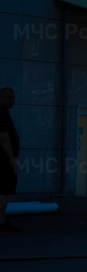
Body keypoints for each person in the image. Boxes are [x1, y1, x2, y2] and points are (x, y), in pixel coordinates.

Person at [0, 87, 20, 232]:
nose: (12, 100)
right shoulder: (2, 113)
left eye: (13, 97)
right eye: (9, 97)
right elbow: (3, 137)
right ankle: (1, 220)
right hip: (3, 160)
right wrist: (11, 158)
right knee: (3, 189)